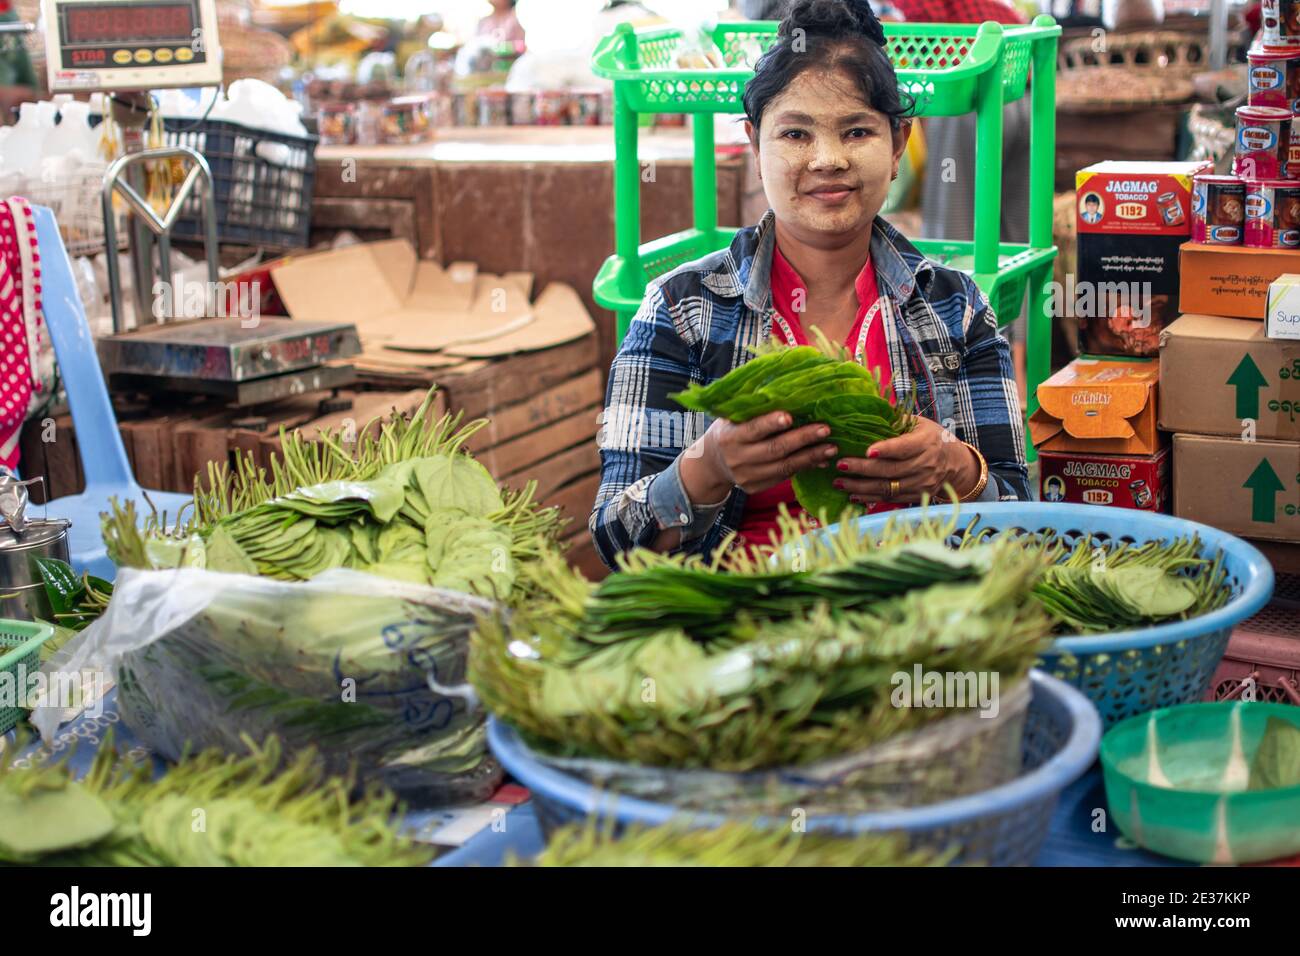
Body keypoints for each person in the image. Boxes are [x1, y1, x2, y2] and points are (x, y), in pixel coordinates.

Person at [590, 0, 1028, 568]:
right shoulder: (682, 308)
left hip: (914, 615)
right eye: (795, 134)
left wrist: (957, 469)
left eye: (857, 131)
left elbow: (1020, 520)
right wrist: (709, 467)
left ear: (898, 146)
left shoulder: (954, 307)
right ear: (755, 145)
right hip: (742, 620)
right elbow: (614, 537)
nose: (828, 160)